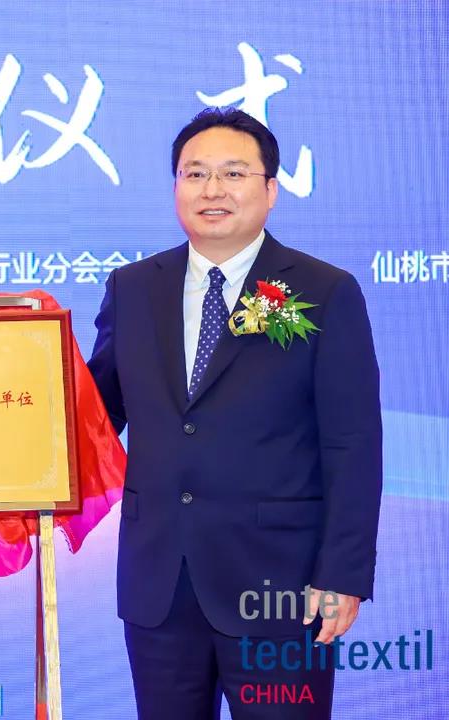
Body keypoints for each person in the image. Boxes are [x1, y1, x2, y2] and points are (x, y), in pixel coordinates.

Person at [88, 108, 381, 719]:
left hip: (282, 590)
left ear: (270, 189)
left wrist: (343, 574)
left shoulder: (323, 291)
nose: (212, 189)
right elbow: (95, 414)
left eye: (233, 173)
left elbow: (352, 445)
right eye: (194, 173)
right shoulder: (133, 288)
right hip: (160, 585)